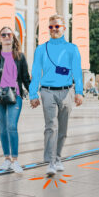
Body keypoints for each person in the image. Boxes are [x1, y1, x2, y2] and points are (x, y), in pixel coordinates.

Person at [29, 14, 83, 176]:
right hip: (47, 92)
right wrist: (33, 94)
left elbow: (78, 72)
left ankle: (58, 158)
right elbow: (36, 72)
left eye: (57, 26)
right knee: (51, 127)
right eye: (51, 27)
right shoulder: (41, 49)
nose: (53, 29)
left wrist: (79, 92)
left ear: (64, 28)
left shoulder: (72, 49)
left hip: (67, 91)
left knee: (63, 130)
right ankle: (51, 161)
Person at [0, 26, 31, 174]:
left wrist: (34, 95)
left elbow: (25, 78)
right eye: (3, 35)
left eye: (9, 34)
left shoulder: (20, 57)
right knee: (2, 129)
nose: (6, 37)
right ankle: (6, 159)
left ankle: (15, 160)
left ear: (13, 37)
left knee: (11, 126)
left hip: (15, 95)